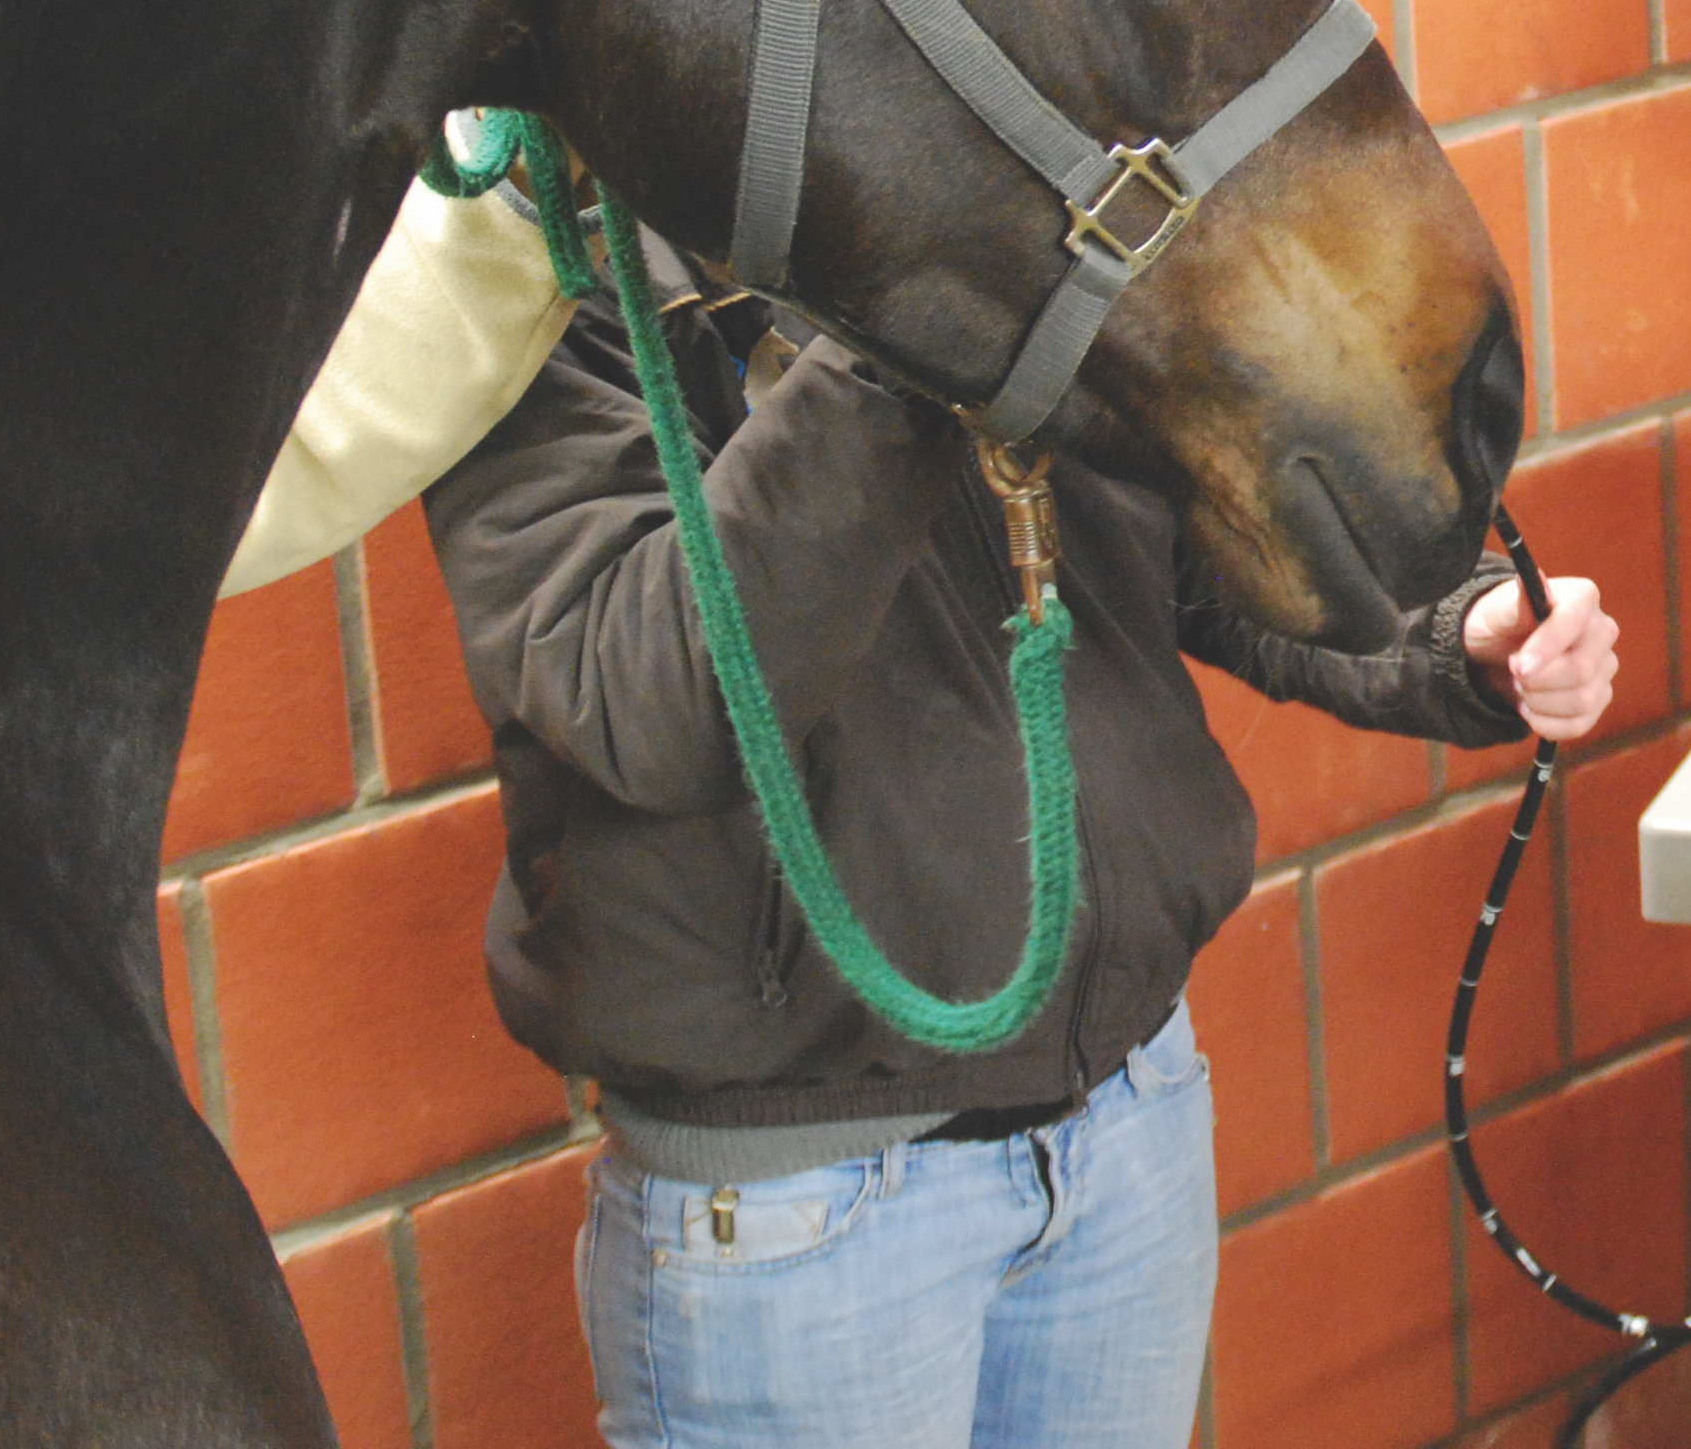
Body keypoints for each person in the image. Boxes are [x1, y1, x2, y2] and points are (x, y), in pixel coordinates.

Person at [422, 233, 1616, 1449]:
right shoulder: (527, 263)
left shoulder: (997, 215)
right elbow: (650, 695)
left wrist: (1448, 633)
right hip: (805, 1206)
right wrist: (904, 328)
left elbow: (1193, 558)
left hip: (1125, 1116)